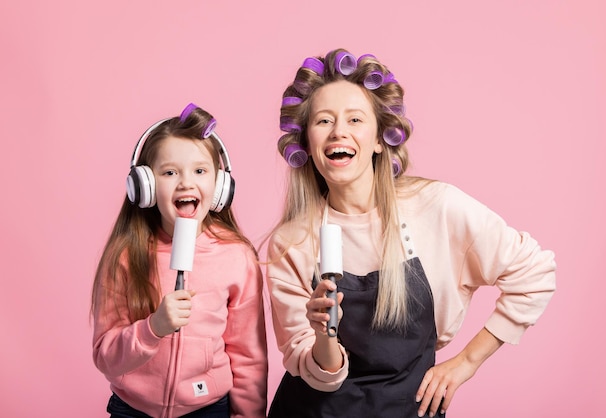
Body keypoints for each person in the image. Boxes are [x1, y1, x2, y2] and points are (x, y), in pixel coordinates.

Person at [264, 49, 556, 418]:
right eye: (323, 121)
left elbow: (535, 273)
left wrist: (466, 362)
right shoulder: (292, 242)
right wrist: (323, 335)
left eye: (355, 119)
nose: (339, 131)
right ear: (306, 144)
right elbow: (320, 377)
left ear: (378, 139)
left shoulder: (436, 208)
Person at [91, 104, 267, 418]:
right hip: (133, 410)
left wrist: (247, 415)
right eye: (170, 172)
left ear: (219, 186)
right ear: (144, 185)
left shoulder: (236, 257)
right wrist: (152, 328)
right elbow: (106, 356)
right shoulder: (126, 255)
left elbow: (248, 357)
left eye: (199, 171)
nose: (186, 182)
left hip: (208, 409)